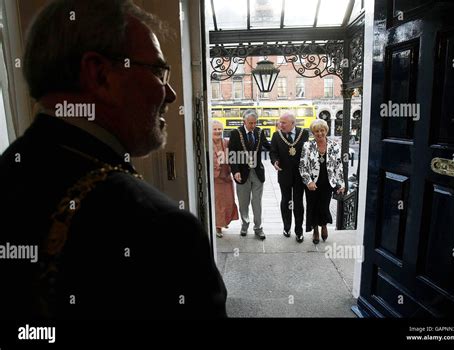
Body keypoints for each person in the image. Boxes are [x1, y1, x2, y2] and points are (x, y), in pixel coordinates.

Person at [0, 0, 226, 319]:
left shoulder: (10, 169)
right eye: (159, 71)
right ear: (101, 75)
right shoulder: (164, 231)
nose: (171, 93)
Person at [299, 119, 345, 244]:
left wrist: (341, 184)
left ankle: (323, 225)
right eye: (316, 131)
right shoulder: (307, 146)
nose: (319, 133)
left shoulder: (334, 146)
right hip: (313, 183)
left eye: (322, 130)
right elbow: (302, 166)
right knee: (312, 206)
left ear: (326, 131)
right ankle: (315, 229)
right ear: (313, 133)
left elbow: (338, 166)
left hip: (327, 182)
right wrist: (308, 182)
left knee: (324, 206)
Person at [228, 110, 271, 239]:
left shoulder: (259, 131)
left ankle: (258, 228)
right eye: (250, 123)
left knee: (257, 202)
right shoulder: (236, 133)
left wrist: (279, 148)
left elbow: (267, 146)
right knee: (243, 202)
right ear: (244, 121)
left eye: (254, 123)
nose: (253, 125)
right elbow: (232, 154)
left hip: (257, 173)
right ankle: (245, 225)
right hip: (242, 173)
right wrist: (235, 171)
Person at [270, 113, 309, 242]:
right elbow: (273, 152)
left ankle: (299, 231)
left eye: (283, 122)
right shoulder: (276, 135)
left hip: (299, 175)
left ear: (293, 123)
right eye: (280, 122)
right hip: (284, 175)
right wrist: (275, 161)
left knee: (298, 203)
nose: (280, 125)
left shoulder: (304, 133)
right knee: (286, 201)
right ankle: (287, 227)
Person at [212, 120, 238, 237]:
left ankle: (224, 222)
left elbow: (235, 155)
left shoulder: (227, 142)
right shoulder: (206, 144)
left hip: (226, 177)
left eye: (219, 129)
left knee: (229, 201)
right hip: (215, 179)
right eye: (215, 129)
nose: (218, 131)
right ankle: (218, 226)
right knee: (218, 203)